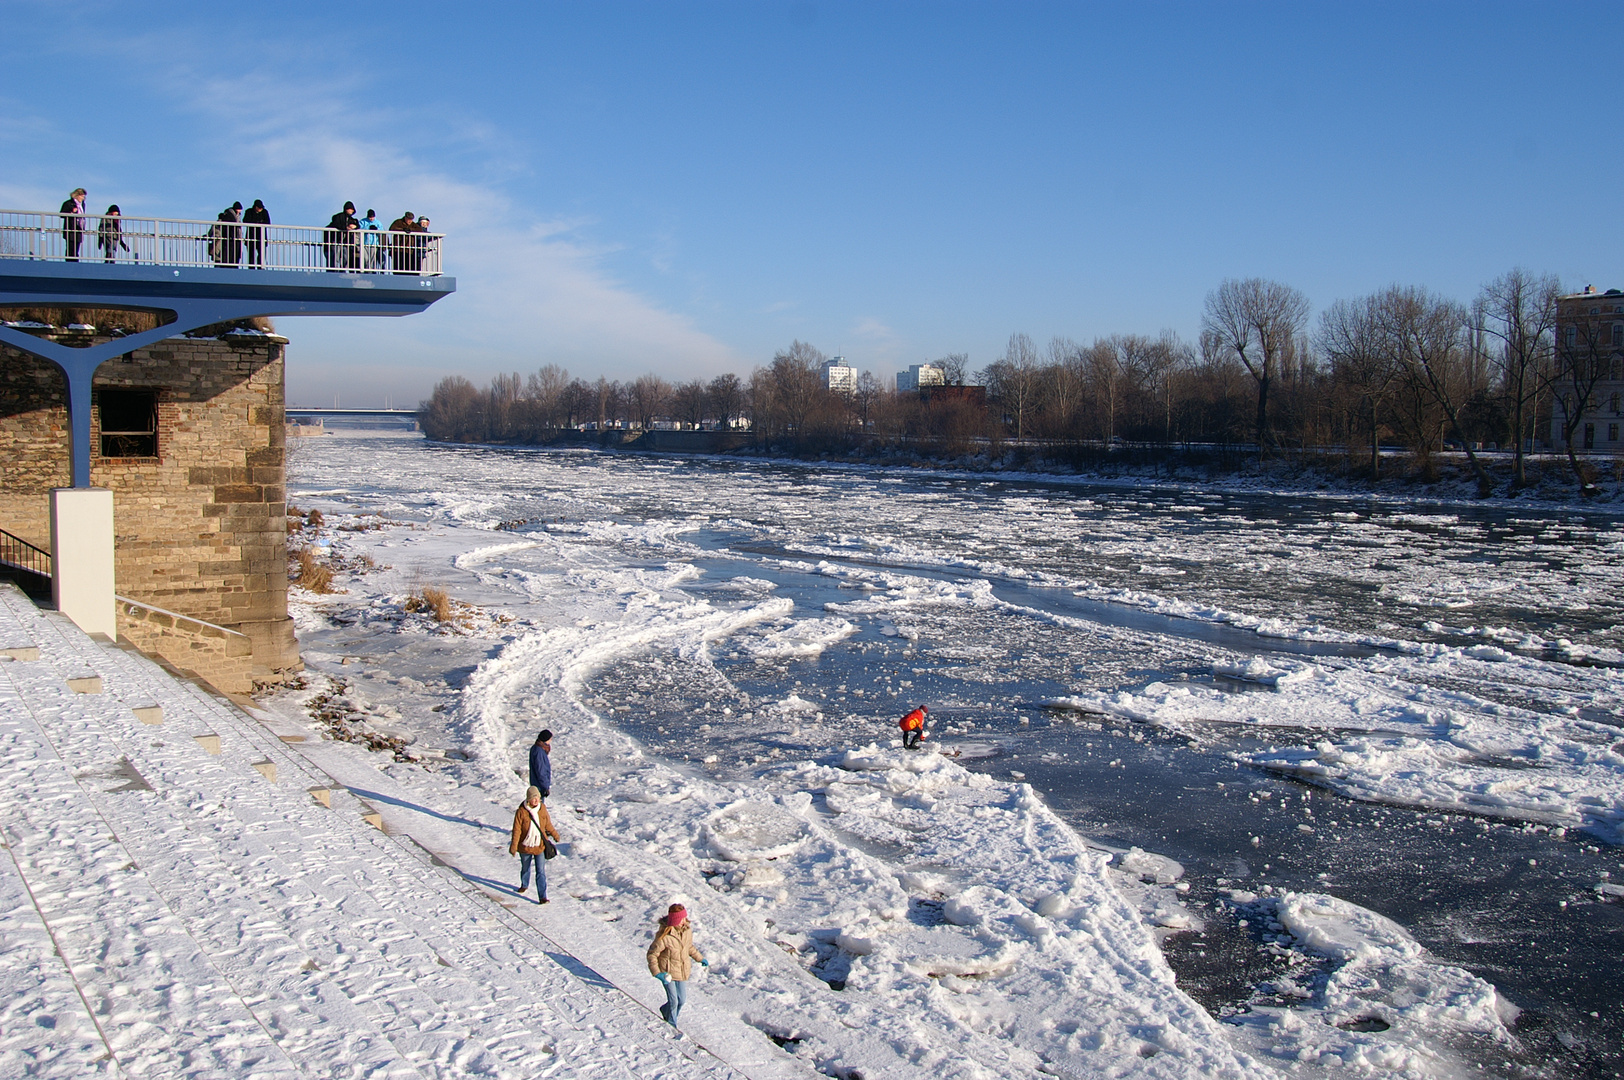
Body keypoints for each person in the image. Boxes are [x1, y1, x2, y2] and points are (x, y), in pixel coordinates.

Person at [646, 903, 707, 1028]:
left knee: (681, 1000)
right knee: (674, 1001)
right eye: (681, 919)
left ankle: (666, 1011)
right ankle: (671, 1024)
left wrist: (700, 958)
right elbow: (652, 954)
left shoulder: (687, 931)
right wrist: (657, 973)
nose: (684, 921)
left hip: (681, 971)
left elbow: (689, 947)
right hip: (667, 973)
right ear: (675, 920)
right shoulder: (664, 937)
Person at [508, 786, 559, 904]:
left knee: (540, 871)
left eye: (537, 798)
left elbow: (547, 824)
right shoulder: (521, 812)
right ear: (528, 799)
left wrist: (555, 835)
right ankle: (524, 884)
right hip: (525, 846)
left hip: (539, 845)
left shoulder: (542, 809)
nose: (536, 801)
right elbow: (517, 830)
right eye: (533, 798)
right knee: (525, 868)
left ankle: (542, 896)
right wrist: (514, 846)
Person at [323, 201, 360, 270]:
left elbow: (358, 225)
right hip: (336, 240)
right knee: (335, 257)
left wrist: (354, 226)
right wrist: (345, 228)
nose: (351, 211)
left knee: (345, 257)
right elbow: (336, 224)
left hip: (346, 242)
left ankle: (343, 270)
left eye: (352, 209)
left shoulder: (353, 220)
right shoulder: (338, 217)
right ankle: (333, 271)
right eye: (349, 209)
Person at [60, 188, 87, 262]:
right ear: (77, 195)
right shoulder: (68, 203)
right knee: (70, 248)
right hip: (70, 228)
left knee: (77, 248)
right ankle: (69, 262)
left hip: (79, 228)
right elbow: (62, 214)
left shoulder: (83, 205)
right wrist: (71, 212)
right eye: (82, 196)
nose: (83, 198)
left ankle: (75, 262)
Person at [212, 202, 243, 267]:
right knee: (229, 255)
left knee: (234, 256)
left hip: (235, 238)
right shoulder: (229, 215)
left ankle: (232, 266)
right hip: (230, 238)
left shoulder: (236, 216)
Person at [242, 199, 271, 268]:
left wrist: (259, 223)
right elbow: (245, 220)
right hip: (251, 236)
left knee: (261, 254)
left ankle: (260, 267)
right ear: (255, 207)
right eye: (259, 207)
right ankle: (251, 268)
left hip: (261, 236)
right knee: (251, 254)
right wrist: (256, 222)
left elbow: (268, 222)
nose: (260, 209)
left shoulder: (265, 212)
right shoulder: (249, 211)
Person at [529, 729, 553, 798]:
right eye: (550, 739)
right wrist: (545, 786)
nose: (550, 741)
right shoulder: (538, 751)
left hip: (538, 784)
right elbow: (541, 770)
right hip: (539, 785)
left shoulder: (537, 748)